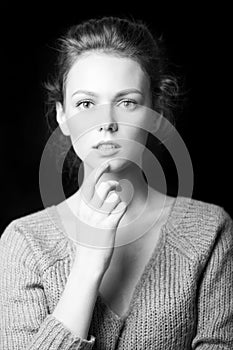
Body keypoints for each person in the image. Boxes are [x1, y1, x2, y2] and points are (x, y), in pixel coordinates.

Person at [0, 16, 232, 350]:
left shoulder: (210, 232)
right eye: (85, 104)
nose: (106, 123)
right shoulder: (24, 243)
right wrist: (89, 264)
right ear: (62, 116)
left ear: (157, 112)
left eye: (126, 102)